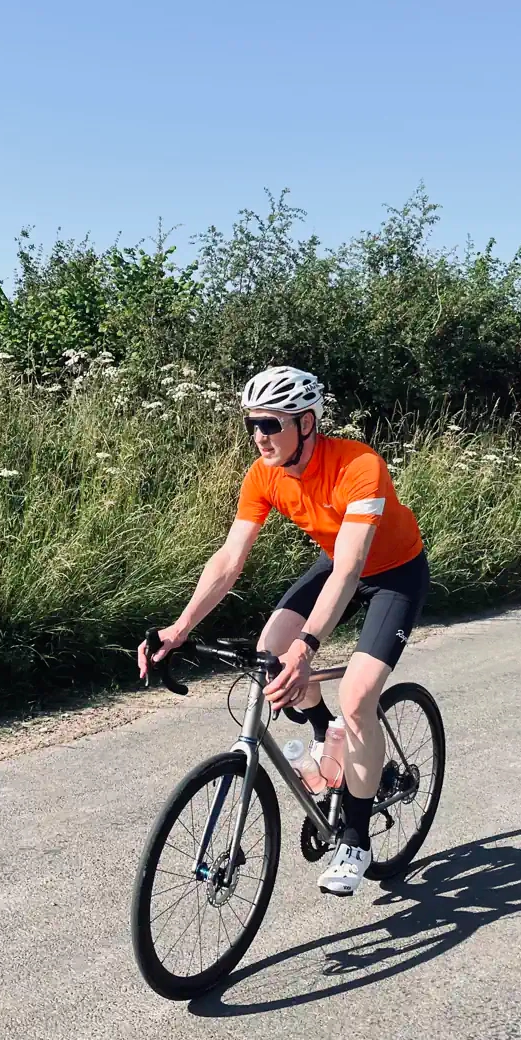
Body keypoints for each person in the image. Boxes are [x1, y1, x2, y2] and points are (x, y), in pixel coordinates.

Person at [137, 365, 430, 897]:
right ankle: (323, 732)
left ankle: (356, 840)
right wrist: (179, 628)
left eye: (271, 423)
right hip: (336, 564)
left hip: (393, 574)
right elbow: (230, 560)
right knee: (269, 651)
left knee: (358, 695)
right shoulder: (263, 474)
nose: (259, 435)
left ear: (307, 423)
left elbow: (350, 570)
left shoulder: (359, 466)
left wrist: (308, 647)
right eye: (252, 424)